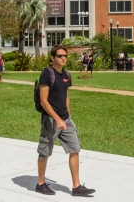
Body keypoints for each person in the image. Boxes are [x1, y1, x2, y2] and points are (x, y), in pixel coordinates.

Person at [35, 46, 95, 197]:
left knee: (74, 149)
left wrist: (67, 114)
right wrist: (57, 119)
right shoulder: (46, 74)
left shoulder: (66, 74)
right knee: (45, 152)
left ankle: (77, 186)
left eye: (65, 56)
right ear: (53, 57)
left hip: (65, 119)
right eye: (60, 56)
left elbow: (66, 94)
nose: (63, 58)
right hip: (51, 120)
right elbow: (43, 101)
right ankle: (40, 184)